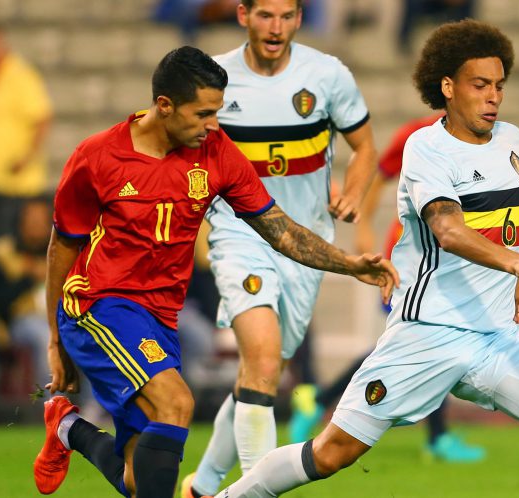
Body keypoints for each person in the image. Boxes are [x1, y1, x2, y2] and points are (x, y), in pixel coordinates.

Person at [214, 19, 519, 498]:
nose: (493, 97)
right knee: (331, 452)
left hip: (497, 334)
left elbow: (505, 225)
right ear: (448, 87)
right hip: (429, 332)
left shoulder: (512, 140)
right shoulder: (426, 147)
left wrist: (518, 278)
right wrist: (513, 262)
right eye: (480, 85)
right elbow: (448, 230)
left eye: (499, 85)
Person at [32, 45, 397, 498]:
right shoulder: (97, 157)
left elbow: (280, 230)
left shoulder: (216, 152)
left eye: (217, 112)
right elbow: (62, 248)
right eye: (203, 113)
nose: (213, 125)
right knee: (177, 403)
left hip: (161, 315)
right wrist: (55, 339)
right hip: (99, 304)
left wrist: (350, 264)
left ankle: (66, 427)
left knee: (137, 478)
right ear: (165, 106)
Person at [178, 1, 379, 496]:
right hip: (240, 234)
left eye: (287, 15)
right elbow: (184, 154)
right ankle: (253, 490)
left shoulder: (326, 75)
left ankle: (203, 486)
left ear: (299, 18)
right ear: (242, 15)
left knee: (262, 373)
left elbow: (365, 147)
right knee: (264, 362)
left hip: (306, 243)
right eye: (266, 15)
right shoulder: (215, 78)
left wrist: (354, 192)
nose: (276, 27)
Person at [286, 112, 487, 463]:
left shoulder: (483, 135)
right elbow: (380, 175)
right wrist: (363, 228)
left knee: (424, 341)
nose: (490, 95)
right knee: (427, 337)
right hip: (416, 257)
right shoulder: (420, 132)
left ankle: (320, 402)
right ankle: (436, 438)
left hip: (452, 257)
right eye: (480, 85)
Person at [0, 25, 53, 249]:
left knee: (10, 246)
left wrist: (26, 157)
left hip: (15, 184)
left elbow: (41, 119)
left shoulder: (20, 76)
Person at [0, 196, 53, 391]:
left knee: (93, 333)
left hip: (60, 319)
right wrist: (28, 279)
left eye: (41, 220)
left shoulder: (61, 253)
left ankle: (93, 404)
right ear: (20, 222)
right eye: (31, 220)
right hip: (18, 323)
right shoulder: (1, 253)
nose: (36, 226)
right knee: (44, 336)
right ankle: (53, 403)